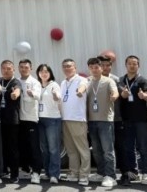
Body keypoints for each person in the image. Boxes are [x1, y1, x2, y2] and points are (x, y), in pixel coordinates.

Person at [117, 55, 147, 185]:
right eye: (130, 64)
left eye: (135, 64)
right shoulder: (121, 81)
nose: (132, 66)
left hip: (141, 119)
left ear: (138, 66)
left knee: (143, 147)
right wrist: (123, 94)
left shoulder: (142, 80)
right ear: (126, 65)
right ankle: (133, 172)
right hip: (126, 119)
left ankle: (146, 173)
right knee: (128, 147)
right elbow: (119, 95)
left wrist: (144, 96)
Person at [86, 56, 119, 187]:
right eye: (91, 67)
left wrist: (114, 96)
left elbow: (115, 92)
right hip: (91, 121)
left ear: (101, 68)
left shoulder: (109, 81)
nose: (94, 70)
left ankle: (111, 176)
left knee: (108, 150)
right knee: (96, 150)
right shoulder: (87, 81)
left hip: (105, 120)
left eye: (96, 67)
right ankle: (101, 173)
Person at [60, 58, 89, 186]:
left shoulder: (81, 80)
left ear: (75, 68)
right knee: (71, 149)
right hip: (65, 119)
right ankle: (74, 173)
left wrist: (80, 91)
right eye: (65, 66)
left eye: (69, 66)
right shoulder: (63, 82)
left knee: (82, 149)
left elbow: (83, 87)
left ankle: (84, 175)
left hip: (77, 119)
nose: (67, 68)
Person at [100, 50, 127, 182]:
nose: (106, 68)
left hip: (116, 119)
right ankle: (104, 173)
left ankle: (124, 174)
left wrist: (124, 94)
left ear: (111, 66)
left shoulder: (116, 79)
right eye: (103, 65)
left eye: (108, 65)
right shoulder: (94, 79)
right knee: (103, 148)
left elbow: (123, 94)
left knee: (119, 147)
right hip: (100, 119)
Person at [0, 59, 21, 183]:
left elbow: (17, 90)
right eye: (4, 69)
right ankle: (4, 170)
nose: (6, 71)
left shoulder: (16, 82)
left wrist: (14, 94)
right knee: (2, 147)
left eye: (9, 69)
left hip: (12, 121)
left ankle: (15, 174)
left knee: (13, 148)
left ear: (13, 70)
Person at [17, 59, 42, 183]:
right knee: (22, 146)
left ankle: (36, 172)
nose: (24, 69)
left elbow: (38, 95)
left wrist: (32, 93)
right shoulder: (16, 81)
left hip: (31, 119)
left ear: (31, 68)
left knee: (34, 147)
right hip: (18, 119)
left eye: (26, 67)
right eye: (21, 67)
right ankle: (25, 169)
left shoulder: (35, 82)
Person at [36, 64, 61, 184]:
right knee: (44, 149)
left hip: (52, 119)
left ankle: (54, 174)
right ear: (38, 74)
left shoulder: (54, 85)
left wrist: (56, 95)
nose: (44, 74)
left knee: (53, 148)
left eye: (46, 71)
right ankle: (47, 172)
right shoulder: (37, 85)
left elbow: (58, 97)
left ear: (50, 73)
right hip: (39, 119)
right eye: (41, 72)